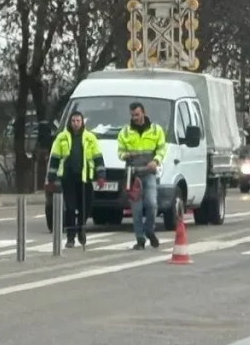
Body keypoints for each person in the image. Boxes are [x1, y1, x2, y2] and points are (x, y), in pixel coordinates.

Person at [47, 111, 105, 248]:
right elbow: (54, 158)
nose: (76, 123)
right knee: (71, 208)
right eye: (73, 121)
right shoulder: (61, 138)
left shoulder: (90, 137)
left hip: (85, 178)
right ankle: (71, 237)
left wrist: (101, 176)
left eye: (78, 121)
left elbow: (98, 157)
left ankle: (81, 228)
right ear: (70, 122)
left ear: (82, 122)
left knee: (86, 207)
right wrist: (51, 178)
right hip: (68, 178)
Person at [117, 102, 167, 250]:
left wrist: (156, 160)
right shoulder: (125, 132)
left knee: (152, 204)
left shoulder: (156, 130)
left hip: (149, 173)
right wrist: (124, 155)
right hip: (133, 176)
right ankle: (140, 240)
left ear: (143, 113)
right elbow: (119, 151)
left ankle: (149, 230)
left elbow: (162, 148)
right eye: (132, 115)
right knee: (136, 210)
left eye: (137, 115)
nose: (135, 118)